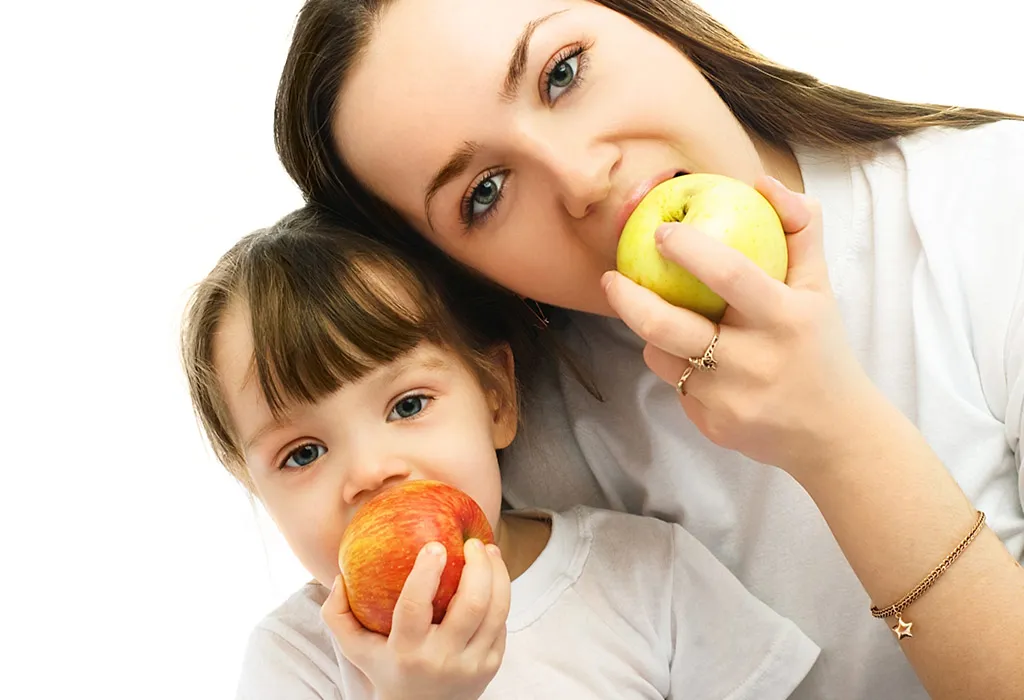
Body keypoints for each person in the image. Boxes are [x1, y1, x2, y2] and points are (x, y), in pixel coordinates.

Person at [269, 1, 1024, 698]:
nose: (582, 176)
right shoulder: (504, 453)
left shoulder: (994, 206)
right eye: (486, 192)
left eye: (562, 73)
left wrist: (838, 437)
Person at [180, 206, 821, 699]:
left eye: (408, 405)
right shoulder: (298, 662)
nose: (370, 472)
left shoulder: (644, 573)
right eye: (302, 453)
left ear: (495, 400)